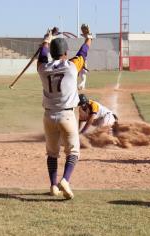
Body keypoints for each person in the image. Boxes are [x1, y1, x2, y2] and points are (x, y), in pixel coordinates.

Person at [37, 24, 92, 199]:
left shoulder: (42, 68)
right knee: (73, 152)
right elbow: (83, 52)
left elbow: (43, 54)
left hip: (48, 116)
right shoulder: (71, 66)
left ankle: (53, 186)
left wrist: (47, 38)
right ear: (66, 53)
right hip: (67, 115)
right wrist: (88, 37)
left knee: (52, 154)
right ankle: (65, 180)